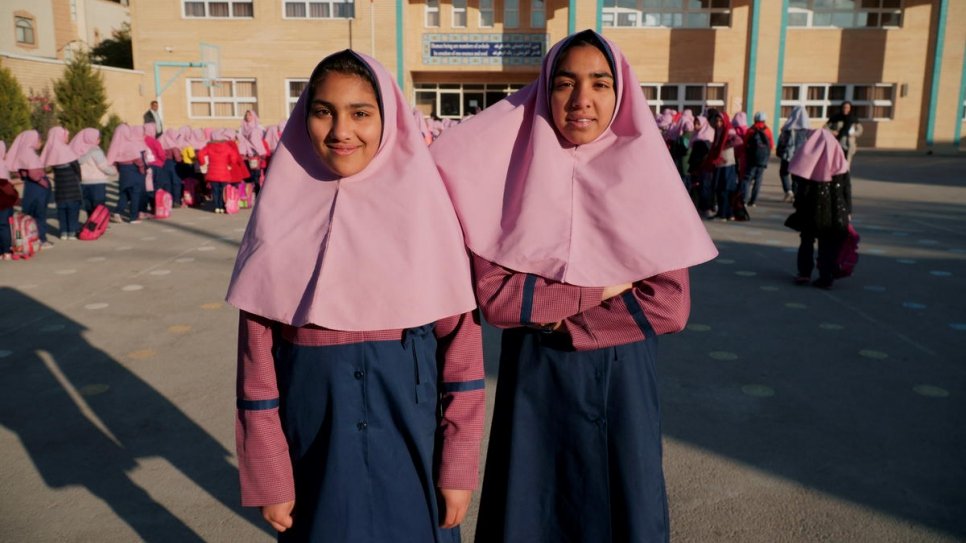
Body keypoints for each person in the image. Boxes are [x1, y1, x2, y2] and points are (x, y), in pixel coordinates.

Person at [431, 30, 718, 543]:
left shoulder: (646, 175)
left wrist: (557, 319)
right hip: (536, 379)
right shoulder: (509, 173)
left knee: (621, 505)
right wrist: (605, 288)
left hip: (623, 379)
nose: (582, 99)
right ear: (545, 90)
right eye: (565, 82)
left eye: (600, 83)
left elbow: (670, 305)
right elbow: (499, 300)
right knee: (533, 508)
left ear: (621, 93)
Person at [226, 49, 483, 542]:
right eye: (323, 111)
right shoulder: (279, 214)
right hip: (317, 448)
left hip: (412, 447)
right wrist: (271, 477)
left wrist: (457, 468)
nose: (341, 130)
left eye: (360, 113)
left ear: (389, 120)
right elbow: (256, 371)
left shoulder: (429, 214)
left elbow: (464, 360)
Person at [786, 128, 852, 289]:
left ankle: (804, 273)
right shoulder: (838, 158)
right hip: (833, 209)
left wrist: (798, 204)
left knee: (807, 240)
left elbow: (799, 186)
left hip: (810, 209)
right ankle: (825, 276)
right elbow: (846, 188)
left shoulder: (807, 159)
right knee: (827, 244)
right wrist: (848, 210)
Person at [5, 129, 53, 247]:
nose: (40, 143)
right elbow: (34, 172)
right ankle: (41, 239)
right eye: (39, 140)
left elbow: (20, 172)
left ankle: (22, 241)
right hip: (38, 187)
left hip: (29, 186)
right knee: (39, 214)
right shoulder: (29, 153)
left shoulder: (21, 153)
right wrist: (43, 182)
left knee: (27, 214)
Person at [40, 126, 84, 239]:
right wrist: (79, 178)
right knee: (73, 210)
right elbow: (76, 167)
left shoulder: (51, 151)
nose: (67, 137)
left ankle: (63, 231)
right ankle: (72, 231)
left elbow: (48, 168)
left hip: (60, 188)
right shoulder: (66, 150)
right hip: (72, 188)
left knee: (61, 210)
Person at [703, 109, 742, 221]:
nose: (718, 123)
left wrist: (725, 146)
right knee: (720, 189)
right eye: (717, 121)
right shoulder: (718, 131)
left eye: (720, 121)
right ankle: (726, 213)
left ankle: (724, 214)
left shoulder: (729, 131)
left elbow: (738, 141)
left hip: (727, 163)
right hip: (720, 163)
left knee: (725, 189)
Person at [196, 129, 246, 213]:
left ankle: (216, 207)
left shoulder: (209, 146)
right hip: (224, 173)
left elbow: (200, 154)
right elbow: (234, 157)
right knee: (223, 190)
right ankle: (222, 206)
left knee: (215, 190)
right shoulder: (227, 146)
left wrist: (203, 163)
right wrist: (230, 164)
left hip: (212, 172)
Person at [106, 124, 148, 224]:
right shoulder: (130, 143)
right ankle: (133, 217)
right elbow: (138, 159)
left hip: (123, 172)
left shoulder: (116, 144)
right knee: (135, 195)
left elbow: (112, 160)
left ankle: (117, 212)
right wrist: (142, 169)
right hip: (133, 172)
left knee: (124, 194)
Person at [70, 128, 117, 216]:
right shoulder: (95, 151)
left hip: (84, 182)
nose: (99, 140)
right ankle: (98, 225)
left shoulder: (78, 150)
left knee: (88, 205)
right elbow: (104, 167)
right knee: (99, 207)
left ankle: (90, 223)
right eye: (98, 138)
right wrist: (114, 171)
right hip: (97, 183)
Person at [777, 105, 810, 202]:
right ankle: (795, 194)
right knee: (796, 175)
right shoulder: (806, 130)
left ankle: (788, 191)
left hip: (787, 155)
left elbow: (781, 141)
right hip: (800, 156)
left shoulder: (788, 127)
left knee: (783, 172)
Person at [742, 111, 775, 207]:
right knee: (758, 180)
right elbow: (771, 145)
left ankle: (744, 200)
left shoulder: (751, 130)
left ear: (755, 119)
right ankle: (753, 201)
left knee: (747, 179)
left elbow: (744, 144)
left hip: (751, 159)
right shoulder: (767, 131)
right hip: (762, 160)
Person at [0, 141, 18, 259]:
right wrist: (15, 195)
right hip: (3, 203)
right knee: (5, 226)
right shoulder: (2, 165)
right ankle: (6, 250)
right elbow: (6, 187)